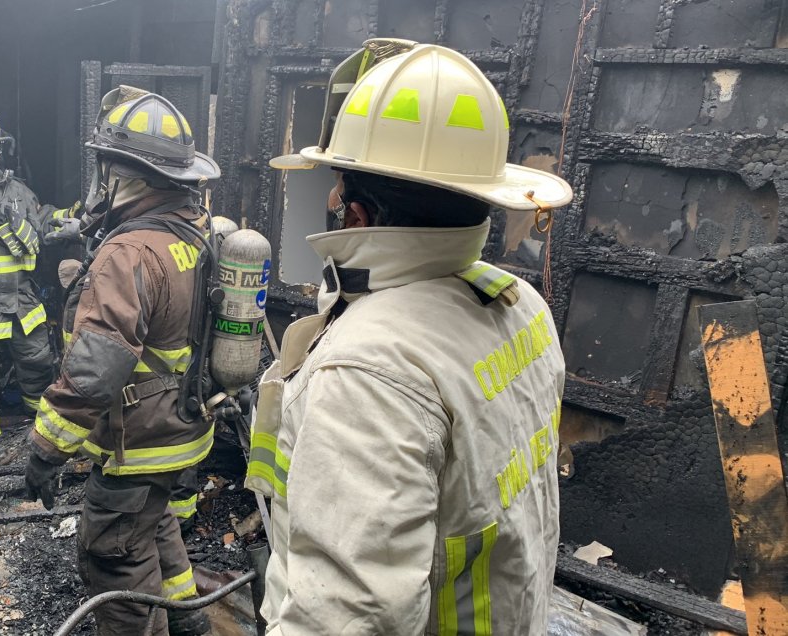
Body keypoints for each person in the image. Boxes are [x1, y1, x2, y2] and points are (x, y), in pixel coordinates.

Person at [245, 39, 573, 634]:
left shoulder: (369, 371)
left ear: (358, 217)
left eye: (339, 183)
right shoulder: (519, 304)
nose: (329, 198)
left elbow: (348, 617)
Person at [23, 87, 216, 636]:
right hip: (183, 427)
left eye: (106, 166)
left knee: (113, 550)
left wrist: (45, 450)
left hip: (142, 438)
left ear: (127, 174)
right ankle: (187, 623)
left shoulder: (128, 252)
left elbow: (95, 370)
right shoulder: (192, 235)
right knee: (152, 528)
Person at [0, 107, 55, 466]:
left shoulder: (17, 191)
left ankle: (44, 426)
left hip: (21, 301)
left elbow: (43, 224)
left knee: (38, 361)